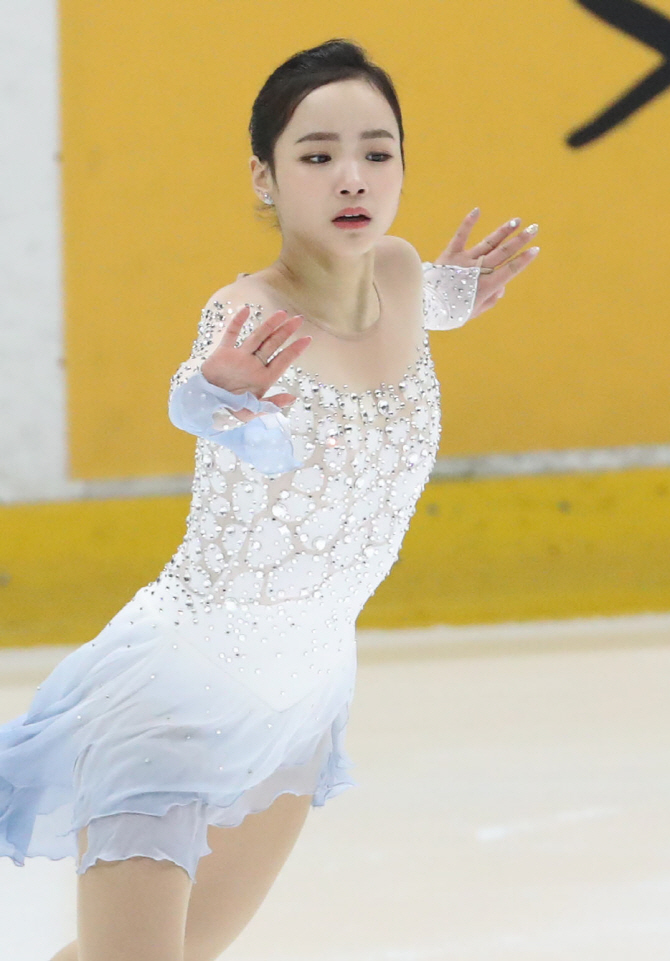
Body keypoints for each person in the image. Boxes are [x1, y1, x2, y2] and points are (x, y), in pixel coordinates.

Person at [0, 37, 539, 961]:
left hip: (302, 697)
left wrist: (461, 291)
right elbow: (200, 398)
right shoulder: (248, 316)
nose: (352, 176)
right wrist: (219, 391)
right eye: (317, 154)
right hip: (175, 695)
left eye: (377, 150)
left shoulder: (406, 277)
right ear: (266, 177)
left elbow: (419, 304)